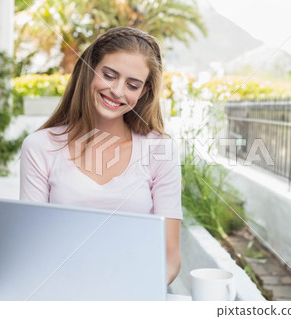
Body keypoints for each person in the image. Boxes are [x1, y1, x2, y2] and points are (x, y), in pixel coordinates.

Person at [19, 27, 182, 285]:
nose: (117, 91)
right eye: (109, 75)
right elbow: (31, 244)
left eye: (132, 84)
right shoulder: (40, 147)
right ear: (88, 69)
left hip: (136, 293)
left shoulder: (160, 150)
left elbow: (170, 255)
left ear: (144, 92)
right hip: (60, 290)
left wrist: (135, 294)